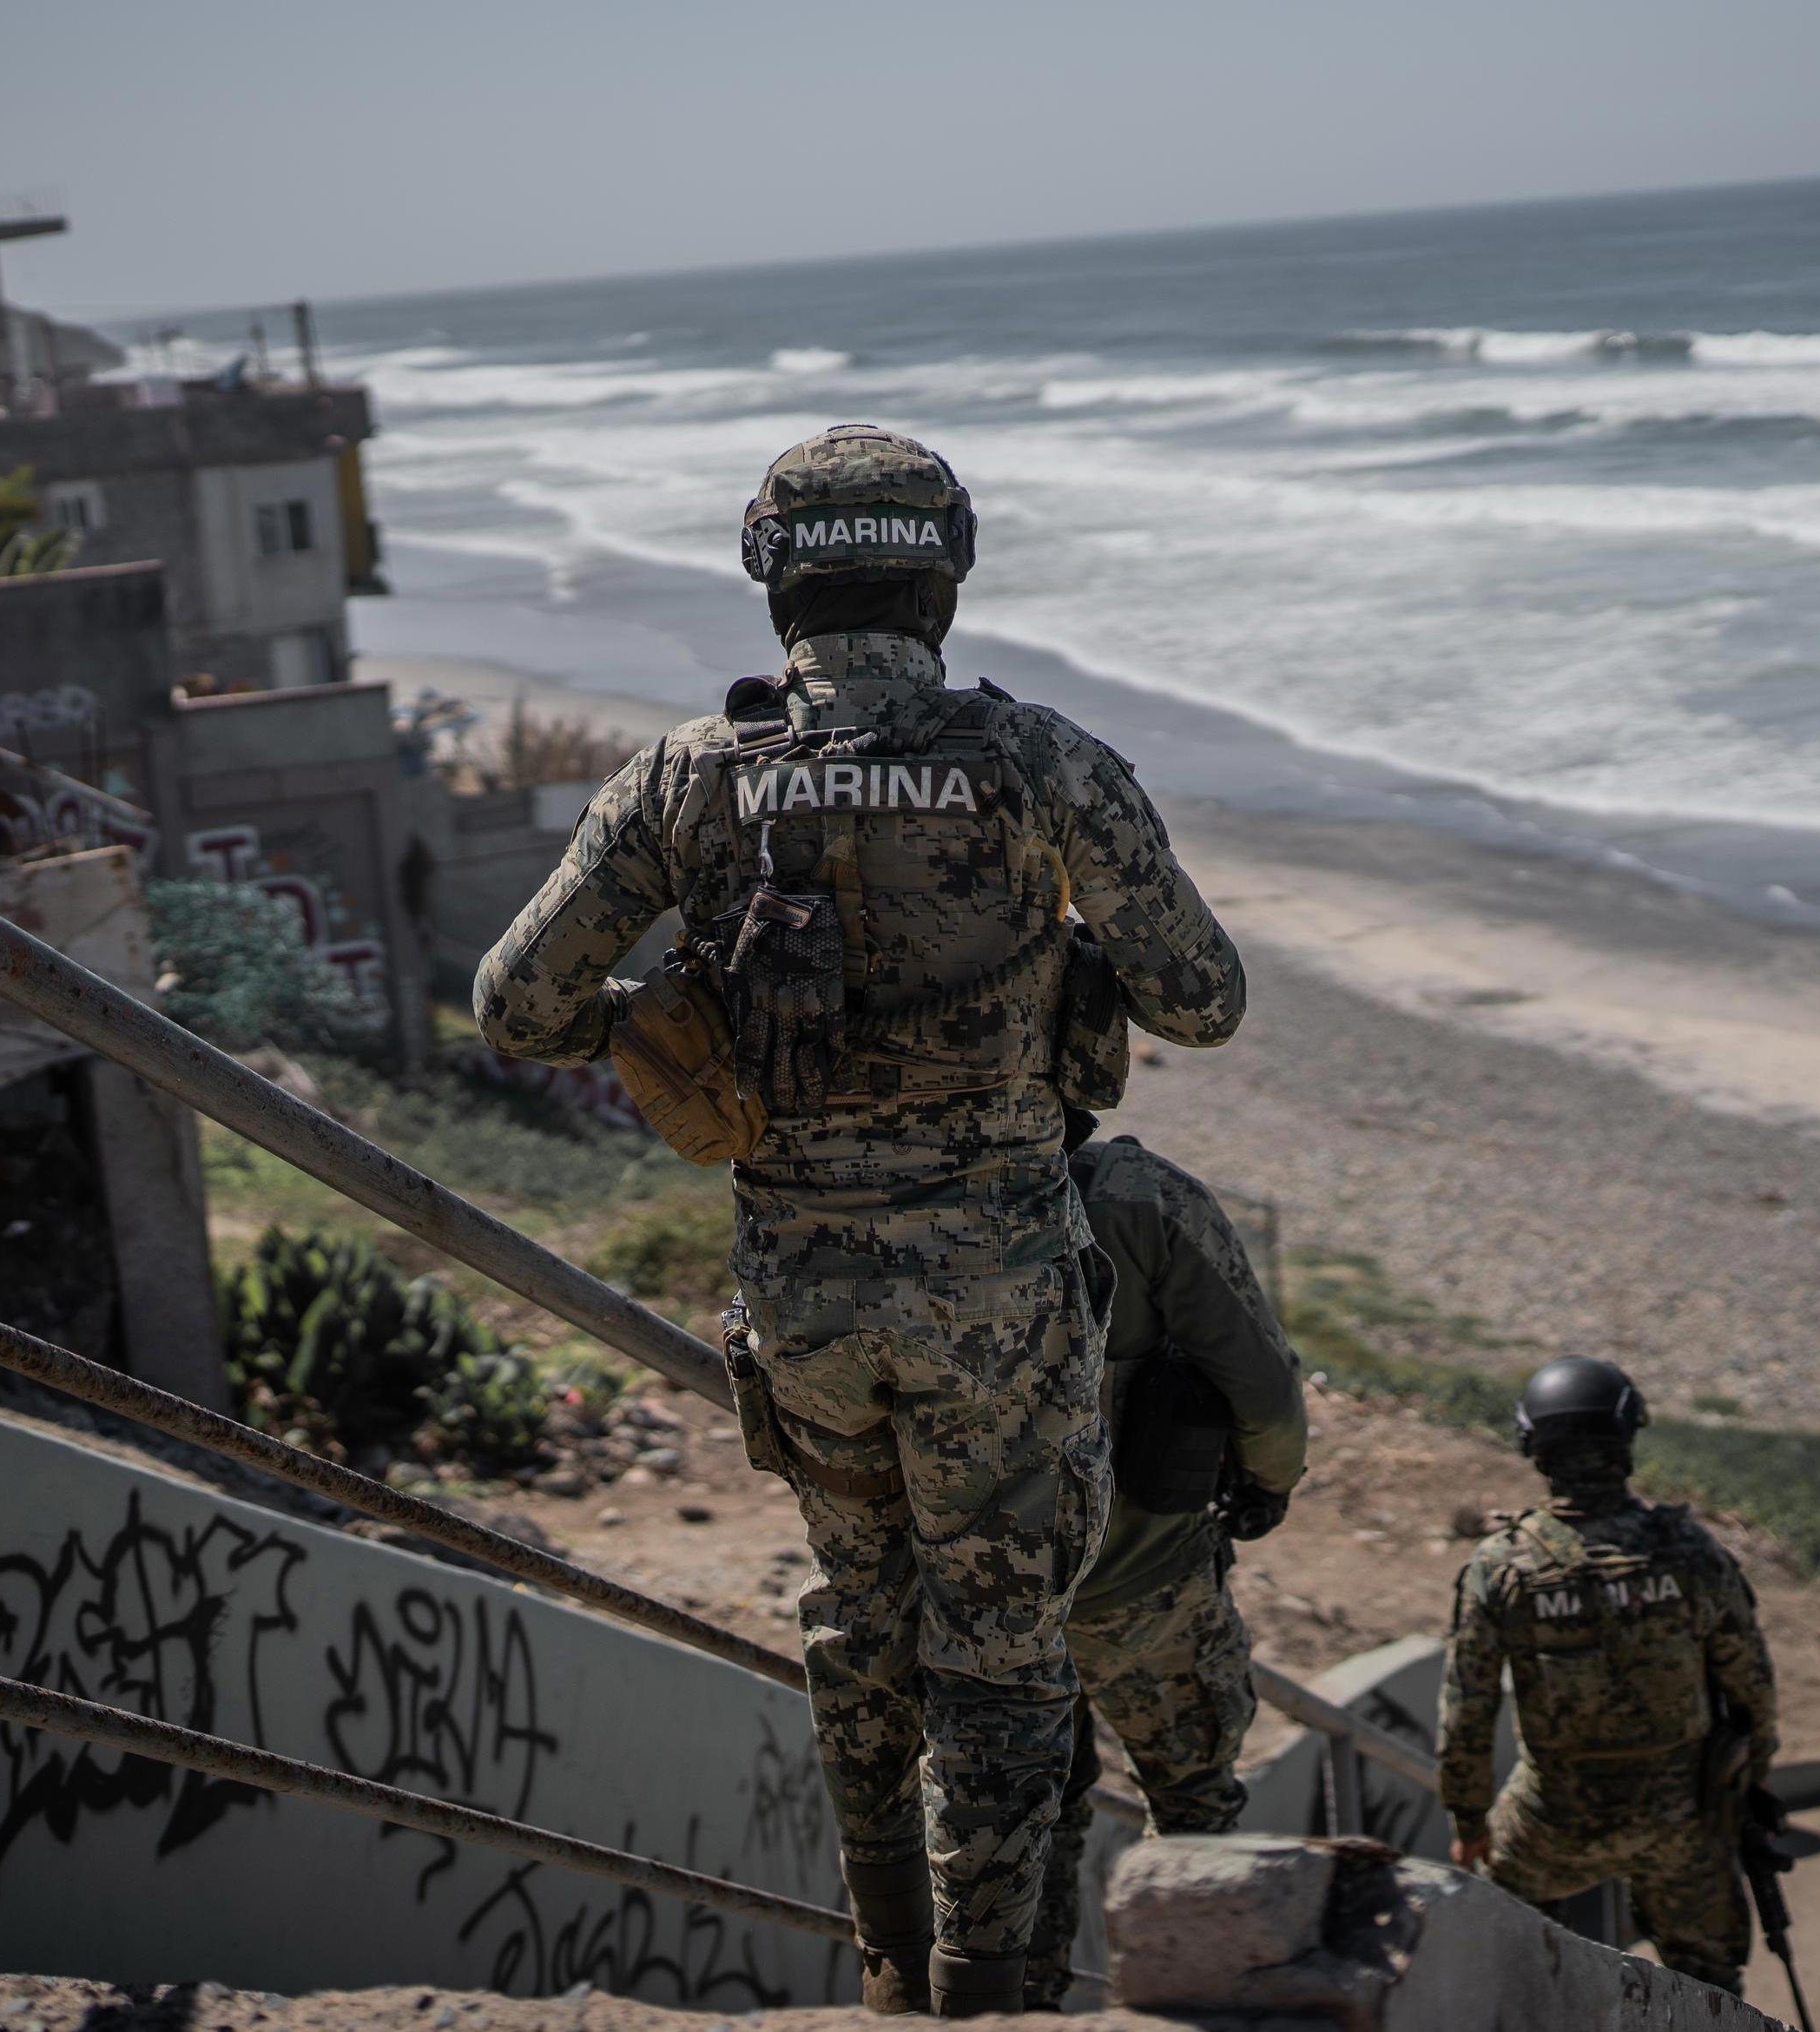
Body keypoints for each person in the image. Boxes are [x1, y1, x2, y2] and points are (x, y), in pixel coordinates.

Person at [471, 426, 1244, 2017]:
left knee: (858, 1612)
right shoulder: (1037, 760)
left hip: (800, 1301)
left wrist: (671, 1017)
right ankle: (987, 1984)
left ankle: (888, 1959)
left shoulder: (693, 773)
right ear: (945, 569)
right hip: (1002, 1297)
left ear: (775, 576)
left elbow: (518, 1004)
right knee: (1003, 1644)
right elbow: (1205, 999)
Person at [1024, 1122, 1307, 2009]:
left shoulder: (892, 1180)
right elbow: (1261, 1388)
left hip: (970, 1601)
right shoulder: (1133, 1200)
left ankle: (1011, 2011)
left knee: (1019, 1825)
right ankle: (1185, 2010)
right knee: (1192, 1803)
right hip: (1139, 1586)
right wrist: (1268, 1485)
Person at [1434, 1356, 1777, 1993]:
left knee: (1493, 1949)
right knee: (1710, 1980)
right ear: (1627, 1438)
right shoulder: (1689, 1552)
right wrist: (1746, 1788)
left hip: (1549, 1822)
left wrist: (1468, 1824)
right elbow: (1752, 1689)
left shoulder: (1502, 1567)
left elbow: (1467, 1712)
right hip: (1683, 1820)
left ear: (1532, 1446)